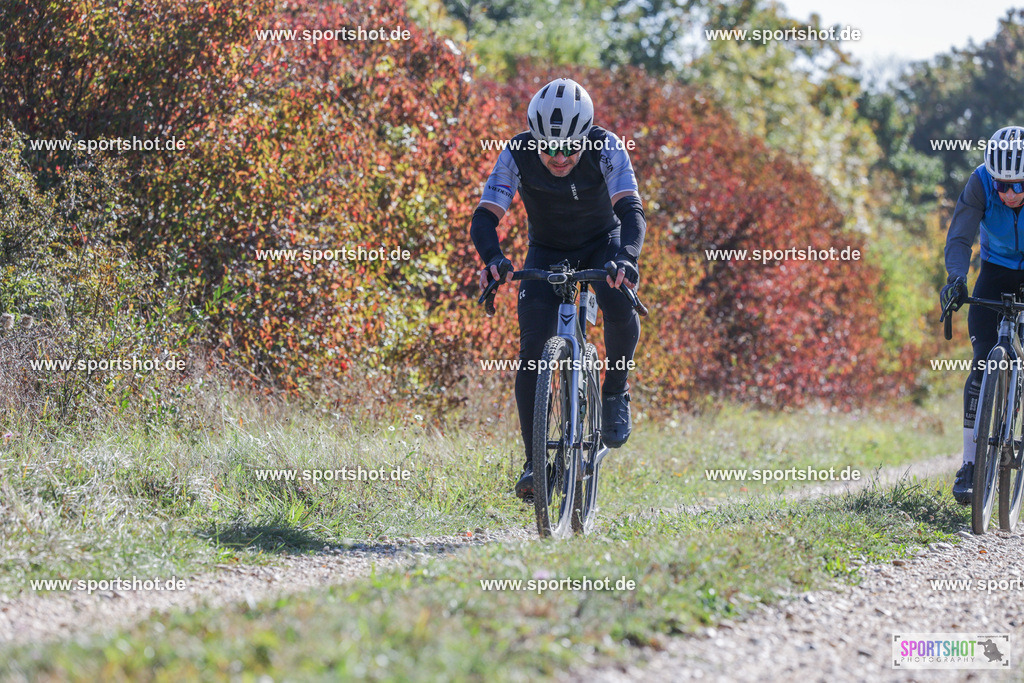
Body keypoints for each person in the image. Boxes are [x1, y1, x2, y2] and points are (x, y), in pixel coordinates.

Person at [470, 77, 646, 501]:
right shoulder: (516, 152)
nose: (559, 156)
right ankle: (535, 462)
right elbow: (484, 217)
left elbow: (632, 211)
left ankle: (615, 387)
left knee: (616, 297)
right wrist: (493, 259)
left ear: (585, 135)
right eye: (548, 148)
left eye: (570, 147)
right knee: (532, 354)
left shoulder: (607, 148)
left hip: (603, 242)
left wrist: (627, 258)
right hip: (546, 250)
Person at [942, 125, 1024, 504]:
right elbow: (960, 237)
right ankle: (971, 464)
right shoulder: (980, 182)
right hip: (995, 269)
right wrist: (956, 278)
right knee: (981, 361)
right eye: (1002, 185)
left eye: (1018, 185)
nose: (1009, 193)